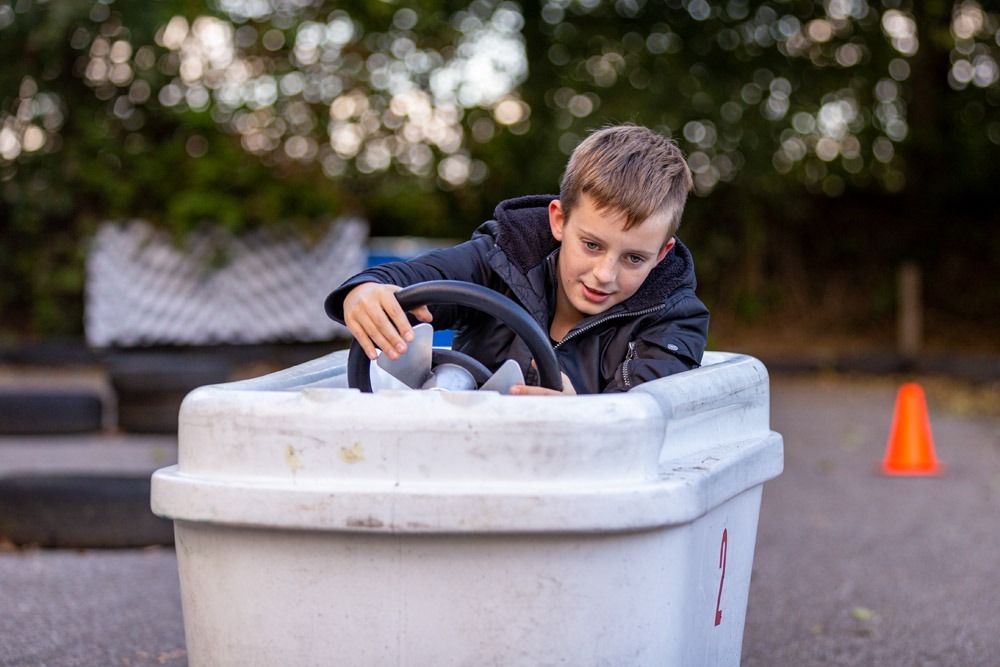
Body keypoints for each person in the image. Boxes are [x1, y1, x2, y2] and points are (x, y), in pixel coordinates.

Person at [324, 124, 710, 396]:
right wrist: (364, 291)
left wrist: (585, 413)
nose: (604, 274)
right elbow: (412, 277)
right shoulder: (502, 257)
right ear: (559, 220)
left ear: (662, 254)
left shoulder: (674, 320)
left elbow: (647, 417)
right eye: (592, 245)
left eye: (633, 259)